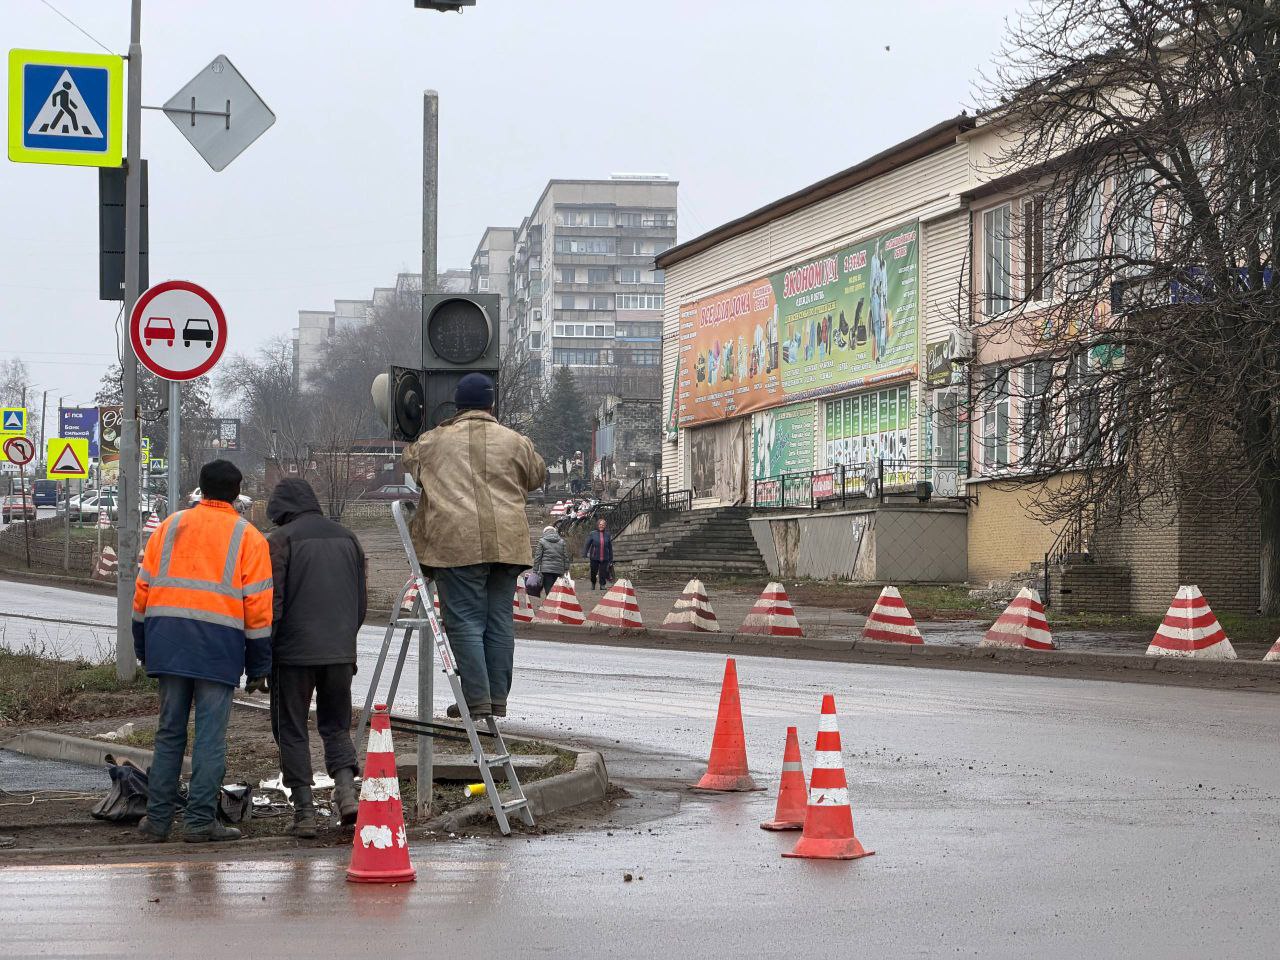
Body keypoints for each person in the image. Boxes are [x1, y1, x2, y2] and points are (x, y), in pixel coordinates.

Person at [132, 460, 272, 843]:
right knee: (210, 738)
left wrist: (143, 645)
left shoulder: (169, 526)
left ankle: (157, 821)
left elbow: (142, 589)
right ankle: (198, 823)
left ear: (202, 488)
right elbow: (258, 608)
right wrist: (260, 664)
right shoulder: (249, 537)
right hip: (217, 648)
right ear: (236, 492)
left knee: (169, 733)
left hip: (168, 642)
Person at [402, 373, 546, 720]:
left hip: (457, 544)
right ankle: (497, 698)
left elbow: (411, 463)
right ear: (491, 404)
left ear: (457, 405)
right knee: (499, 619)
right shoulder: (515, 441)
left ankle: (476, 698)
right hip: (508, 544)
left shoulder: (434, 442)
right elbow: (537, 475)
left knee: (465, 620)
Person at [265, 478, 367, 838]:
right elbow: (360, 602)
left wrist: (264, 656)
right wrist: (344, 641)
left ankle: (304, 812)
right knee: (336, 724)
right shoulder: (348, 538)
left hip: (293, 655)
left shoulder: (280, 540)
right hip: (340, 652)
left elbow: (272, 605)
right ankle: (347, 797)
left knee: (291, 728)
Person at [530, 524, 570, 599]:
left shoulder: (542, 541)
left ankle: (550, 604)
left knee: (548, 588)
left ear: (545, 532)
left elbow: (538, 557)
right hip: (559, 569)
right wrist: (566, 568)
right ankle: (555, 604)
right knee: (557, 588)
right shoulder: (561, 541)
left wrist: (535, 570)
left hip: (546, 570)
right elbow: (565, 556)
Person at [584, 518, 614, 591]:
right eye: (600, 524)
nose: (601, 526)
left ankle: (602, 585)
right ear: (598, 525)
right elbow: (587, 544)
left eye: (603, 525)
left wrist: (611, 557)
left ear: (605, 526)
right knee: (593, 572)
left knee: (603, 572)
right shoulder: (592, 533)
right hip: (594, 556)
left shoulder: (607, 534)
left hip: (605, 556)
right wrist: (585, 553)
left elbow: (610, 547)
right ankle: (593, 583)